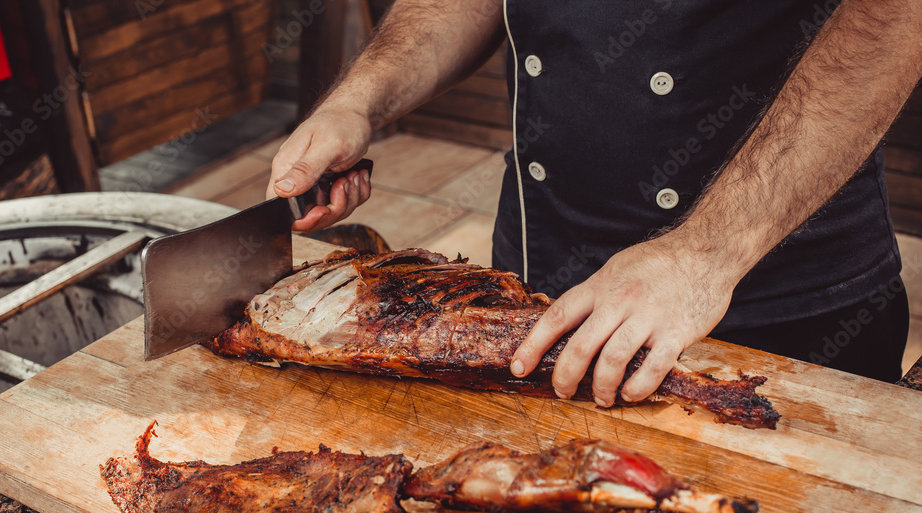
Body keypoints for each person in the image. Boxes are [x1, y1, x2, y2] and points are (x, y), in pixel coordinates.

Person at [266, 0, 922, 404]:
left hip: (774, 299)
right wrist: (359, 99)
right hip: (539, 286)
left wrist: (704, 256)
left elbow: (896, 17)